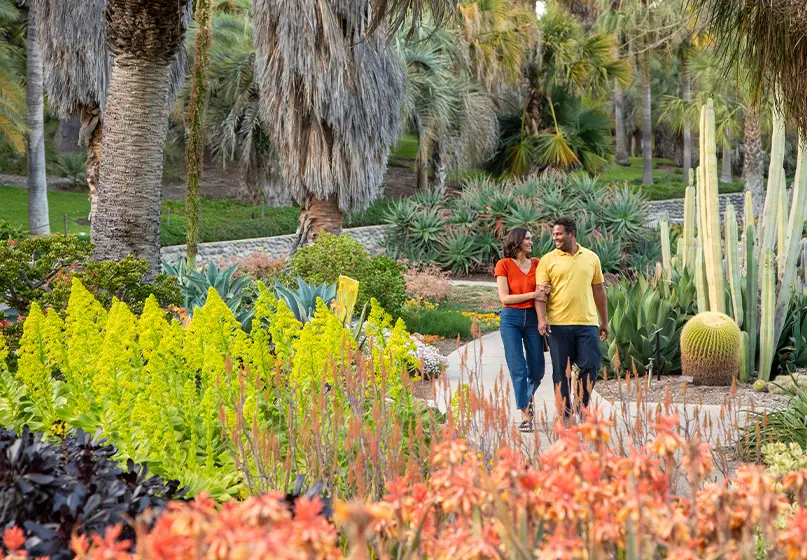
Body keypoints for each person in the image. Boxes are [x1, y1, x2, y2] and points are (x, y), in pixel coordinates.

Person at [535, 217, 609, 420]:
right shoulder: (547, 260)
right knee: (561, 371)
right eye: (554, 234)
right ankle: (565, 414)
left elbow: (599, 290)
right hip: (558, 325)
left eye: (559, 234)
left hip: (587, 323)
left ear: (571, 234)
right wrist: (542, 319)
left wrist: (604, 321)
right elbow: (541, 294)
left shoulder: (591, 257)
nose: (555, 238)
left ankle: (581, 405)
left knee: (591, 364)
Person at [495, 228, 550, 433]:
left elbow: (543, 293)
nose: (531, 242)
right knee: (518, 368)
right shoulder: (504, 265)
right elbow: (505, 298)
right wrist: (534, 293)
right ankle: (526, 414)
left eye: (531, 239)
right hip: (511, 319)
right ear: (517, 241)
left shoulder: (537, 264)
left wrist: (543, 296)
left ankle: (525, 398)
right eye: (527, 238)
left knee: (537, 370)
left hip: (533, 318)